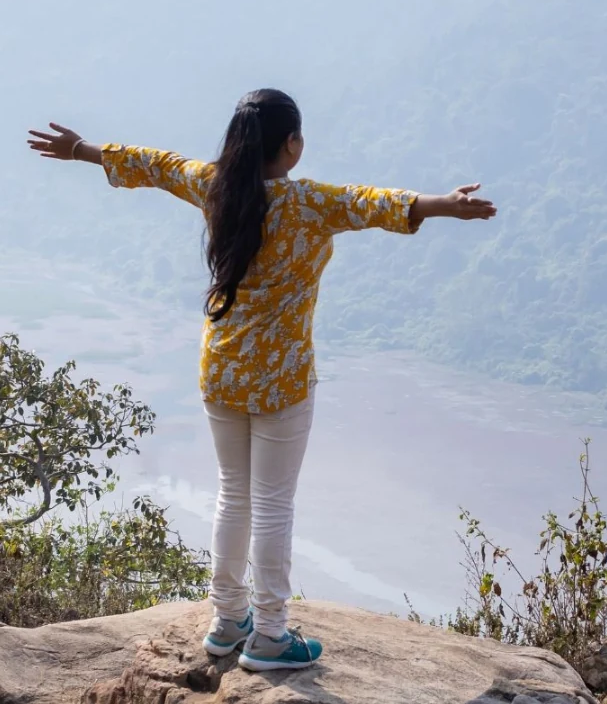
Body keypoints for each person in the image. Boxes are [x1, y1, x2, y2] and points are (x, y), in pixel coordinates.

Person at [26, 88, 497, 672]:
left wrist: (81, 151)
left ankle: (226, 623)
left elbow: (154, 163)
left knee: (232, 494)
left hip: (221, 367)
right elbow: (375, 202)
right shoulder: (310, 204)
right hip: (281, 380)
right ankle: (270, 635)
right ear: (291, 146)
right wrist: (446, 205)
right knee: (273, 505)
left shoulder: (215, 185)